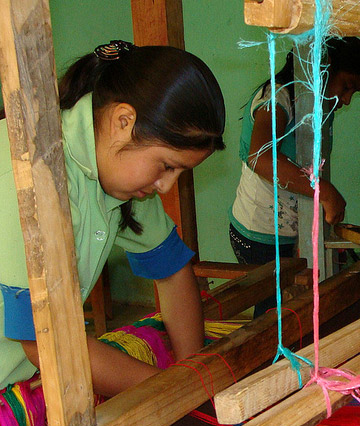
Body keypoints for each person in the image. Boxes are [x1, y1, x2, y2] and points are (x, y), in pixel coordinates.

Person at [1, 41, 226, 397]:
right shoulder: (31, 174)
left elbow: (171, 270)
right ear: (124, 121)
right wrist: (173, 394)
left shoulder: (121, 169)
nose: (166, 185)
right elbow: (43, 339)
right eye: (167, 166)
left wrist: (192, 373)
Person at [228, 37, 360, 316]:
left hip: (288, 235)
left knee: (291, 312)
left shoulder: (318, 108)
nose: (346, 100)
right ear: (324, 67)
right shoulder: (277, 98)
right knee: (275, 320)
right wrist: (325, 192)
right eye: (346, 87)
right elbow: (261, 157)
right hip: (258, 236)